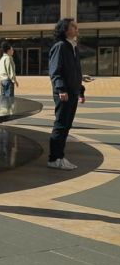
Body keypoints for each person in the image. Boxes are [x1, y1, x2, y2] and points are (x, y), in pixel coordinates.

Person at [47, 18, 86, 170]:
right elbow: (55, 71)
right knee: (61, 125)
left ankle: (60, 156)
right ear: (65, 30)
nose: (77, 29)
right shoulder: (60, 47)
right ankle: (54, 158)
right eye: (73, 27)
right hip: (64, 93)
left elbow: (77, 72)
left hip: (73, 92)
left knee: (66, 126)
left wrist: (81, 91)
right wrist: (61, 89)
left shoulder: (73, 47)